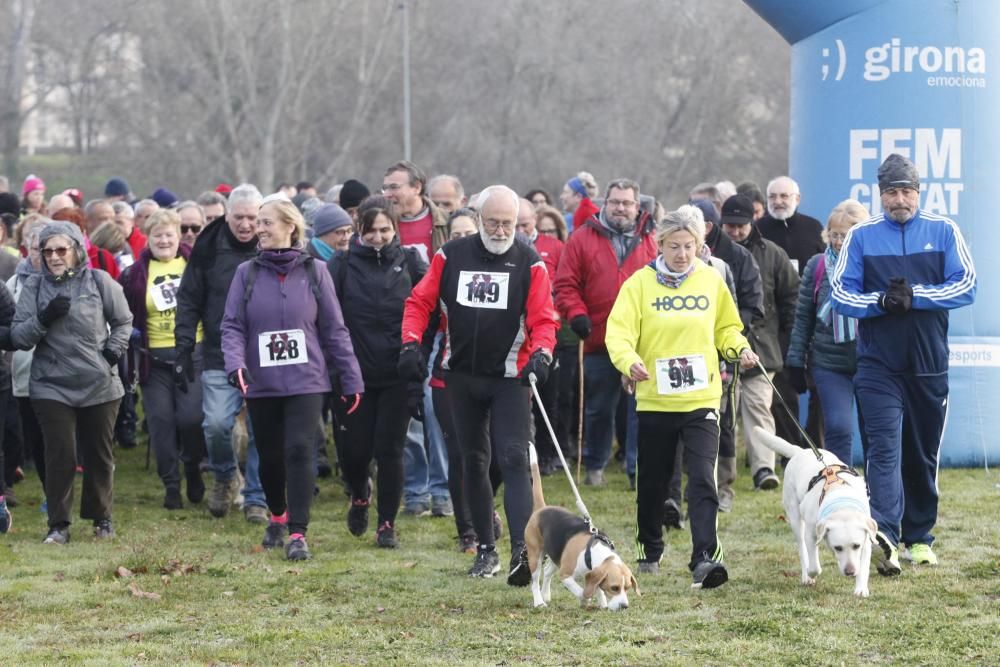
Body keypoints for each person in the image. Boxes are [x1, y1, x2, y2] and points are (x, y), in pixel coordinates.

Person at [400, 185, 558, 583]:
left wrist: (542, 353)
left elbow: (544, 318)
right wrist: (410, 343)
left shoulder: (529, 261)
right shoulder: (451, 255)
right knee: (472, 460)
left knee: (514, 458)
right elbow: (420, 302)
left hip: (510, 376)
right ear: (478, 218)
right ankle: (485, 548)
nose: (502, 230)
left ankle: (523, 552)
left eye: (508, 223)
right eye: (494, 222)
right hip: (461, 375)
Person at [831, 153, 976, 574]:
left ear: (918, 192)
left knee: (921, 454)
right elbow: (842, 293)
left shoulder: (943, 230)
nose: (900, 199)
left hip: (929, 365)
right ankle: (886, 537)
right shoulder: (861, 236)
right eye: (892, 192)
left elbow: (967, 284)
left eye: (907, 191)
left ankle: (920, 538)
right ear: (880, 195)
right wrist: (881, 302)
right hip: (879, 366)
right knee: (883, 451)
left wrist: (916, 297)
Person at [606, 205, 758, 588]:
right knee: (653, 481)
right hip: (656, 398)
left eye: (689, 246)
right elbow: (618, 333)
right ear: (660, 245)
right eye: (674, 246)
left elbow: (726, 328)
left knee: (703, 477)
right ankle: (649, 550)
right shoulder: (639, 284)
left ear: (699, 244)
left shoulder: (710, 281)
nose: (682, 254)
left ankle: (704, 558)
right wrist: (629, 361)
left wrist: (738, 348)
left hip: (702, 397)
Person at [222, 197, 362, 560]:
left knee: (301, 450)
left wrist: (351, 378)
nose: (259, 229)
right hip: (262, 382)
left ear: (290, 227)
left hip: (307, 380)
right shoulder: (246, 273)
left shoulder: (316, 272)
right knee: (269, 456)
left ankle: (298, 532)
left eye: (267, 222)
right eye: (258, 222)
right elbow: (232, 325)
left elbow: (335, 330)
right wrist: (235, 364)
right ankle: (277, 516)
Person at [11, 220, 132, 544]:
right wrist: (43, 318)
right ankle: (58, 525)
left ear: (76, 250)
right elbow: (18, 337)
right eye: (47, 250)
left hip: (99, 382)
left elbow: (123, 321)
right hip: (51, 383)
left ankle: (101, 518)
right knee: (59, 454)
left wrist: (110, 355)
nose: (54, 256)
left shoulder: (99, 280)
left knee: (99, 455)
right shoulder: (34, 287)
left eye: (61, 249)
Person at [327, 196, 424, 548]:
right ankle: (359, 494)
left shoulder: (411, 262)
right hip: (354, 374)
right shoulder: (341, 264)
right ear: (359, 231)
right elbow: (328, 317)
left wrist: (416, 362)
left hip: (397, 373)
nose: (379, 237)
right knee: (354, 452)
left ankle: (386, 524)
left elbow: (426, 311)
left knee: (390, 449)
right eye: (371, 231)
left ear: (395, 228)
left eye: (385, 230)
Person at [554, 178, 658, 486]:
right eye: (615, 202)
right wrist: (576, 313)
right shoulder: (582, 237)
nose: (621, 208)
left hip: (643, 341)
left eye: (627, 203)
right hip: (598, 339)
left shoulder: (653, 239)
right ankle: (594, 465)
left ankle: (636, 469)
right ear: (605, 203)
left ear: (637, 206)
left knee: (641, 409)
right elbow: (565, 284)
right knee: (598, 408)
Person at [175, 184, 269, 523]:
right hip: (219, 350)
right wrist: (184, 345)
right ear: (227, 215)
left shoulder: (274, 241)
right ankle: (226, 475)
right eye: (239, 217)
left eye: (253, 218)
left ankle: (258, 495)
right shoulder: (209, 246)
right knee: (215, 424)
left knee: (262, 428)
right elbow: (188, 298)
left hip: (265, 352)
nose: (246, 225)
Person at [120, 209, 206, 509]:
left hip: (192, 355)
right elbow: (123, 310)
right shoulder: (135, 274)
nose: (164, 240)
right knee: (161, 423)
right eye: (157, 235)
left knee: (192, 419)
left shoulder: (195, 264)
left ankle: (193, 468)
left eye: (169, 234)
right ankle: (171, 483)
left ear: (178, 235)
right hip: (152, 359)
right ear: (148, 238)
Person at [720, 194, 800, 490]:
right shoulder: (711, 256)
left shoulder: (773, 253)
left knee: (758, 407)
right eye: (730, 225)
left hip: (761, 349)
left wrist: (787, 338)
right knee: (724, 412)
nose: (736, 231)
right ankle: (720, 470)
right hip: (721, 349)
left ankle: (763, 469)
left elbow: (791, 297)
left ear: (752, 221)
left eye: (741, 225)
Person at [786, 199, 869, 466]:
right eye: (834, 234)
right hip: (829, 363)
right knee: (838, 427)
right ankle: (840, 486)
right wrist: (796, 361)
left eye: (846, 236)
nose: (838, 242)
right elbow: (803, 317)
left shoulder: (875, 265)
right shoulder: (817, 265)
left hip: (870, 362)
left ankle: (875, 492)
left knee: (874, 433)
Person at [756, 176, 826, 451]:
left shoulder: (812, 228)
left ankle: (816, 446)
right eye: (773, 196)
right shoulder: (759, 230)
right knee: (782, 392)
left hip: (813, 323)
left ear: (797, 199)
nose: (778, 201)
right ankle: (791, 450)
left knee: (821, 388)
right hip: (775, 328)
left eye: (784, 196)